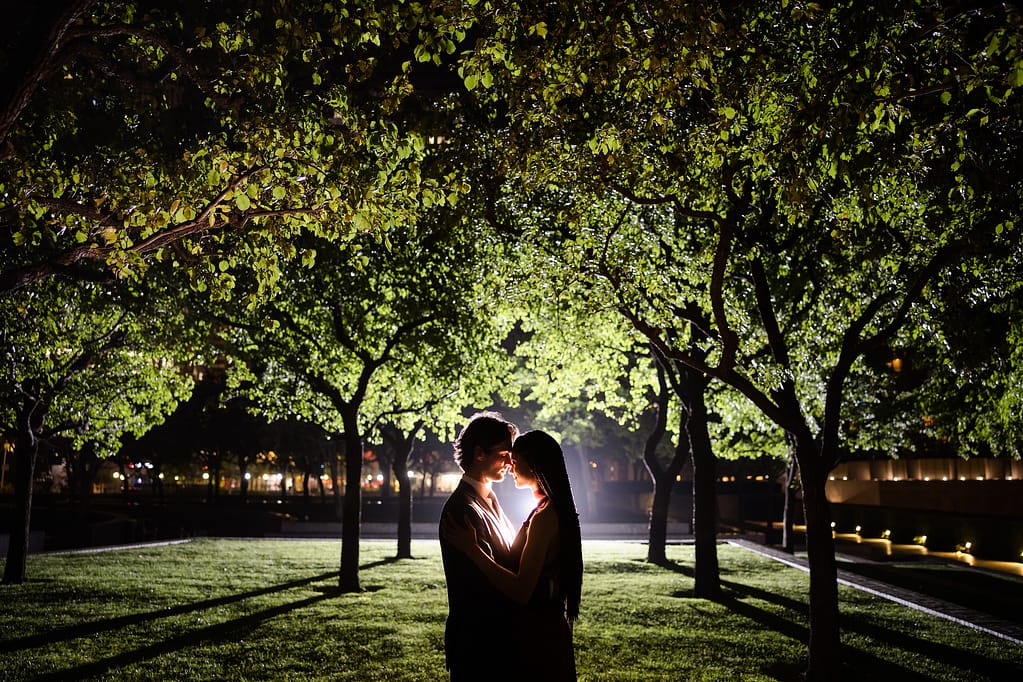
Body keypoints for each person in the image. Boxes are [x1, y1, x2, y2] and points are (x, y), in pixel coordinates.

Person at [443, 429, 583, 681]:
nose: (510, 466)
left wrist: (474, 551)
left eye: (515, 460)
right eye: (507, 456)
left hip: (538, 635)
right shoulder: (545, 510)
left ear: (535, 465)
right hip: (531, 632)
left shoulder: (545, 516)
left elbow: (521, 589)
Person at [438, 411, 520, 681]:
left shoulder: (489, 499)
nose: (511, 462)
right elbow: (480, 581)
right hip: (479, 645)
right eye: (504, 454)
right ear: (479, 454)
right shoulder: (462, 510)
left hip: (495, 641)